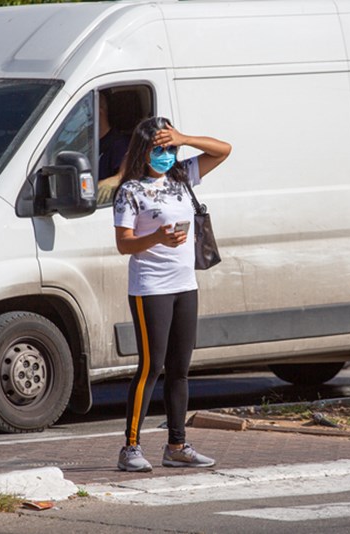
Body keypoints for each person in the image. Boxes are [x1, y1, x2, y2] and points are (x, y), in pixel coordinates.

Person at [112, 116, 231, 472]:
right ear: (143, 150)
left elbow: (224, 150)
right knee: (151, 366)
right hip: (150, 288)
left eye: (170, 149)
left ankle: (177, 445)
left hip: (184, 285)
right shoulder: (130, 190)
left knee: (180, 369)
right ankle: (130, 448)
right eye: (159, 148)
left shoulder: (182, 176)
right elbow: (123, 244)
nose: (166, 154)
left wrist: (185, 137)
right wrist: (158, 238)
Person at [98, 90, 130, 187]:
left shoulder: (119, 145)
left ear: (99, 112)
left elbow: (121, 178)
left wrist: (96, 188)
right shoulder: (86, 142)